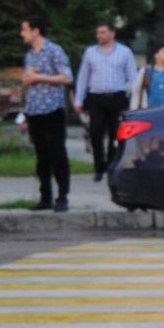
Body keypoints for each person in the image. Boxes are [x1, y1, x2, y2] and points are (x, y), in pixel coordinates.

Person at [18, 14, 75, 213]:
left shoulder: (54, 50)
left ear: (36, 30)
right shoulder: (30, 55)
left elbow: (67, 77)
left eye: (25, 29)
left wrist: (37, 77)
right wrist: (27, 79)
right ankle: (45, 197)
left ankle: (62, 196)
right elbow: (27, 80)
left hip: (52, 109)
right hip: (34, 110)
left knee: (57, 153)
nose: (22, 34)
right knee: (42, 156)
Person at [74, 22, 136, 181]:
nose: (99, 36)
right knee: (95, 133)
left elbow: (132, 77)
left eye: (102, 32)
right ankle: (98, 166)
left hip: (117, 97)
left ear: (112, 34)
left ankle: (111, 164)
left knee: (116, 134)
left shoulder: (124, 52)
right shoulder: (90, 52)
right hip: (97, 98)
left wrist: (125, 91)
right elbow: (83, 77)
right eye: (98, 33)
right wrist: (78, 99)